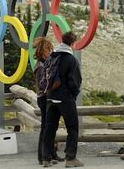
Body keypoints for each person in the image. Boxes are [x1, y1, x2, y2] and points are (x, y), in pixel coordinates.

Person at [42, 31, 83, 168]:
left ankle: (46, 158)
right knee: (72, 127)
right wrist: (73, 95)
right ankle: (70, 158)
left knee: (50, 128)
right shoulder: (71, 59)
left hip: (50, 97)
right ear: (73, 43)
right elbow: (74, 82)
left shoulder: (52, 57)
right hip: (65, 99)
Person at [33, 37, 64, 166]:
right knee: (46, 127)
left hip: (47, 98)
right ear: (41, 51)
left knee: (51, 127)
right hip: (44, 98)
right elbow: (42, 85)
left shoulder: (45, 64)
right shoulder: (40, 66)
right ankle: (42, 156)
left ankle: (51, 153)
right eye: (48, 50)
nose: (50, 52)